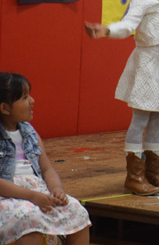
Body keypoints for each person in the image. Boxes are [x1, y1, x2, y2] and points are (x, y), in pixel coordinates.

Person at [84, 0, 159, 195]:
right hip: (147, 65)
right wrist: (107, 30)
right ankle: (134, 175)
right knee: (141, 119)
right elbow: (128, 25)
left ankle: (154, 172)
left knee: (157, 118)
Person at [0, 72, 91, 245]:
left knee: (76, 211)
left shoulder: (30, 133)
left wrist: (56, 189)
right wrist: (31, 196)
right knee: (30, 220)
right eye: (25, 97)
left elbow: (47, 169)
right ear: (5, 108)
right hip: (8, 196)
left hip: (38, 193)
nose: (32, 101)